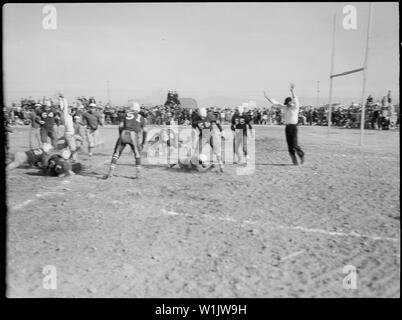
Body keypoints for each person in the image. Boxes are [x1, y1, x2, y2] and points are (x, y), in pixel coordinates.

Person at [264, 83, 305, 165]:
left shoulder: (295, 107)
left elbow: (295, 99)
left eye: (289, 103)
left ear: (291, 102)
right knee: (289, 145)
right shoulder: (285, 107)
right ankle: (294, 160)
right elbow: (275, 103)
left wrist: (292, 91)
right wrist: (266, 97)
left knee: (295, 144)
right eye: (287, 103)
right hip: (287, 127)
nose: (288, 104)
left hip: (293, 127)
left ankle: (301, 155)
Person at [104, 101, 147, 179]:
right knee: (137, 154)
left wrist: (120, 135)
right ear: (138, 109)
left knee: (116, 153)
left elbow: (120, 126)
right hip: (133, 135)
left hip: (124, 133)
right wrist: (143, 142)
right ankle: (138, 174)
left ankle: (111, 171)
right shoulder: (141, 117)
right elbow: (145, 131)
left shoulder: (125, 115)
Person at [192, 107, 224, 172]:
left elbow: (217, 122)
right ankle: (201, 163)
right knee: (196, 153)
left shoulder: (210, 116)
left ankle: (221, 164)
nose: (202, 118)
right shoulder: (195, 119)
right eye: (201, 117)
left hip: (211, 135)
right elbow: (194, 129)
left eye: (204, 117)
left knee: (217, 150)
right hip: (203, 136)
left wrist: (221, 131)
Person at [58, 94, 78, 161]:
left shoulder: (67, 116)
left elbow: (62, 107)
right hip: (69, 134)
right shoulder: (65, 115)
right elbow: (64, 106)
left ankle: (64, 158)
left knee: (65, 147)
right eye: (70, 109)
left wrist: (60, 99)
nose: (71, 110)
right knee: (73, 148)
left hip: (68, 134)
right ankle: (75, 160)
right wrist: (63, 98)